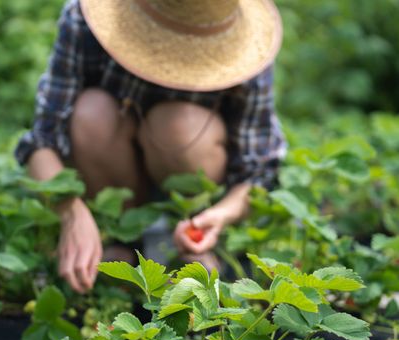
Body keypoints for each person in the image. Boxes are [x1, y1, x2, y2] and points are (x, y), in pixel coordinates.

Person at [15, 0, 287, 294]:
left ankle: (193, 245)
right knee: (91, 113)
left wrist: (219, 215)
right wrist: (71, 211)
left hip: (193, 171)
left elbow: (258, 172)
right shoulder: (84, 21)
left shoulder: (247, 50)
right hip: (111, 171)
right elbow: (42, 141)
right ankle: (122, 239)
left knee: (179, 124)